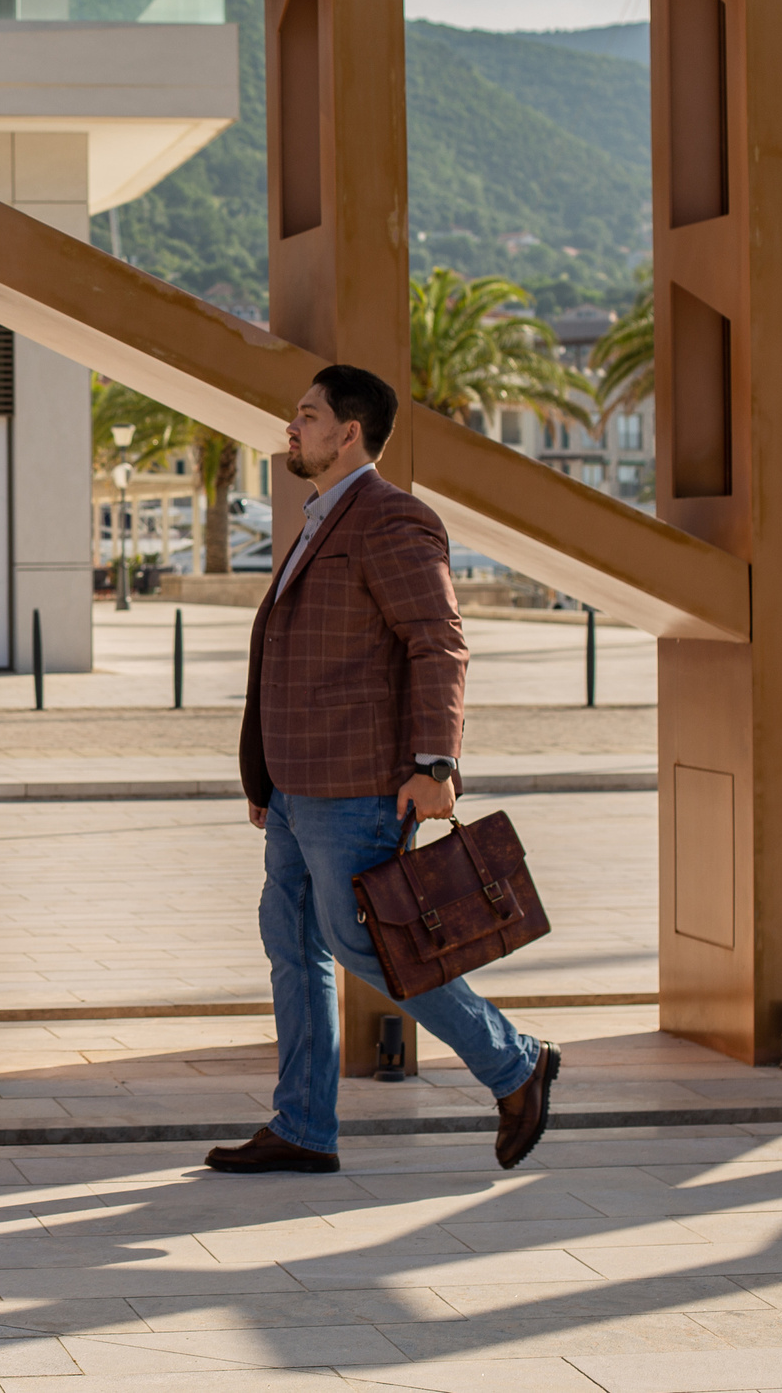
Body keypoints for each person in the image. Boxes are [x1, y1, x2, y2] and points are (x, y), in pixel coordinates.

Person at [205, 364, 557, 1176]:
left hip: (357, 783)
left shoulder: (393, 518)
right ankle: (303, 1125)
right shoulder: (320, 515)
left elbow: (438, 639)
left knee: (368, 945)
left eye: (307, 414)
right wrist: (269, 781)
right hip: (298, 787)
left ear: (349, 432)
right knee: (293, 945)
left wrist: (435, 761)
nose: (291, 427)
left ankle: (516, 1064)